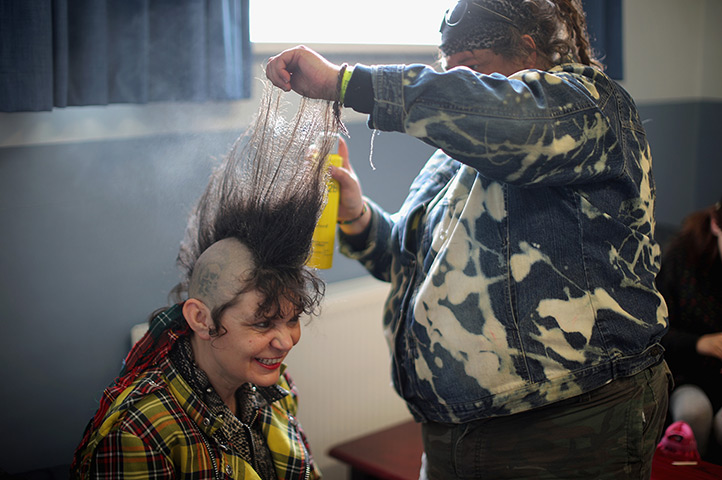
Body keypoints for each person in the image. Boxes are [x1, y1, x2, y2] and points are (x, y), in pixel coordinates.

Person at [266, 0, 671, 478]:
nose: (464, 88)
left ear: (529, 49)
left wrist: (345, 84)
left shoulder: (588, 105)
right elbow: (409, 258)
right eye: (452, 73)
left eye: (476, 72)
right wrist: (355, 214)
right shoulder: (457, 155)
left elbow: (508, 117)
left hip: (566, 423)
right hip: (457, 429)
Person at [70, 86, 341, 479]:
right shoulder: (140, 432)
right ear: (200, 318)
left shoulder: (271, 385)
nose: (285, 341)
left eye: (292, 319)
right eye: (262, 323)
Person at [657, 197, 722, 460]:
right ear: (717, 225)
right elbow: (656, 334)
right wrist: (700, 343)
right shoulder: (682, 259)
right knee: (694, 412)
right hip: (688, 373)